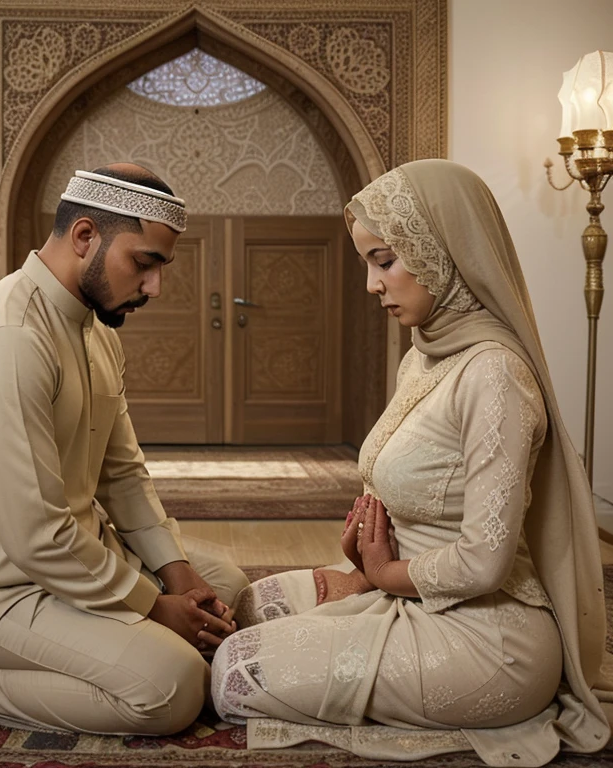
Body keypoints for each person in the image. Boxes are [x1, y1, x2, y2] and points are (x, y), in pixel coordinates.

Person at [211, 159, 613, 766]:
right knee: (249, 606)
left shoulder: (494, 374)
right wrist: (367, 550)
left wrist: (380, 573)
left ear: (443, 252)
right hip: (408, 592)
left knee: (235, 671)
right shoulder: (427, 358)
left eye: (384, 261)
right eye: (368, 264)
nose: (373, 285)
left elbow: (485, 559)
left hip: (489, 640)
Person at [0, 163, 249, 749]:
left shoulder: (96, 328)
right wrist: (156, 607)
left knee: (223, 586)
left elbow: (122, 472)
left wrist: (178, 576)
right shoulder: (10, 339)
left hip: (69, 559)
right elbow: (37, 538)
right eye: (145, 263)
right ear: (85, 237)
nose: (154, 288)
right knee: (175, 687)